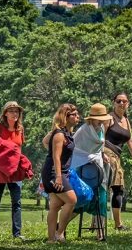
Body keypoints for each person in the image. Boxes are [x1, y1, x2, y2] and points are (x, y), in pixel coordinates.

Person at [70, 103, 112, 241]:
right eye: (98, 118)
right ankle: (61, 226)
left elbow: (99, 147)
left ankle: (100, 233)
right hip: (83, 168)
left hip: (97, 167)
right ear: (92, 118)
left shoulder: (101, 128)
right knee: (81, 199)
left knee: (101, 198)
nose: (101, 121)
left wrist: (102, 154)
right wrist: (87, 158)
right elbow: (74, 148)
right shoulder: (83, 130)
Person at [0, 101, 27, 240]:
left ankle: (17, 233)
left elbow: (18, 149)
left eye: (17, 111)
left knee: (17, 202)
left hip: (15, 171)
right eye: (11, 111)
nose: (15, 114)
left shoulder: (20, 129)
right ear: (5, 113)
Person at [103, 92, 132, 231]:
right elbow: (100, 138)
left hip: (117, 157)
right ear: (114, 103)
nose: (121, 103)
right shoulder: (109, 118)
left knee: (118, 189)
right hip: (107, 155)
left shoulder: (126, 120)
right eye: (119, 101)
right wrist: (102, 153)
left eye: (124, 101)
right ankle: (104, 224)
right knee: (106, 189)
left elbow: (130, 142)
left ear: (128, 104)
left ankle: (117, 224)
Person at [41, 103, 79, 244]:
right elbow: (56, 157)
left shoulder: (67, 133)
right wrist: (58, 177)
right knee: (72, 200)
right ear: (66, 117)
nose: (77, 117)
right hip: (54, 173)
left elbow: (45, 142)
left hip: (61, 172)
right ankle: (59, 233)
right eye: (74, 115)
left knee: (55, 205)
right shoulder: (59, 134)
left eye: (77, 114)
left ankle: (51, 239)